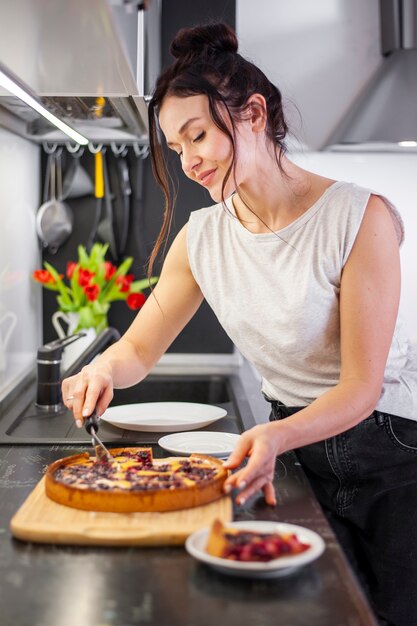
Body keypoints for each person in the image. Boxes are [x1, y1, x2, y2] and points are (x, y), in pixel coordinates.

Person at [62, 22, 417, 626]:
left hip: (389, 452)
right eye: (176, 148)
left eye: (197, 135)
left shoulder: (360, 217)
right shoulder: (202, 237)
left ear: (253, 113)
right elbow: (139, 352)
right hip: (291, 452)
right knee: (315, 612)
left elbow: (360, 386)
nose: (189, 161)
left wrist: (277, 437)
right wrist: (99, 369)